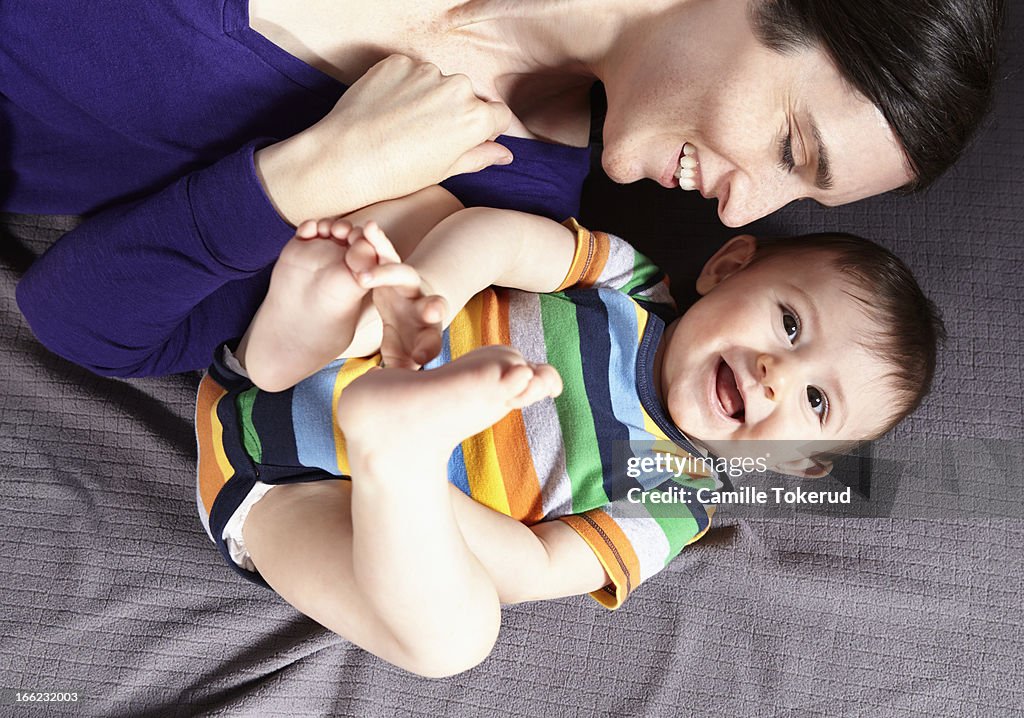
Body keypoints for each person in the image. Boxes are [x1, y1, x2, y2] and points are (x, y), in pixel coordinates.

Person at [8, 0, 1002, 377]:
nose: (740, 212)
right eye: (794, 145)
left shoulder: (499, 199)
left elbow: (81, 322)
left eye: (794, 200)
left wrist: (301, 176)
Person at [193, 185, 944, 677]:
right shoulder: (626, 282)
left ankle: (401, 451)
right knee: (442, 206)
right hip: (328, 352)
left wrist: (415, 494)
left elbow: (530, 567)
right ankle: (316, 303)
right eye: (788, 323)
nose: (776, 371)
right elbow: (490, 237)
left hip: (297, 494)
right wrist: (428, 301)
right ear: (729, 265)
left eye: (816, 402)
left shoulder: (672, 505)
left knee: (457, 638)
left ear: (796, 464)